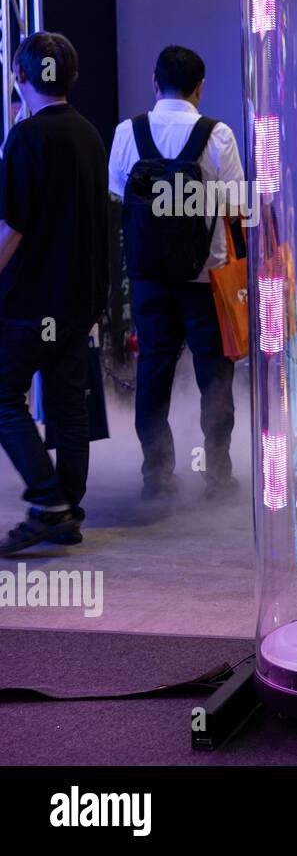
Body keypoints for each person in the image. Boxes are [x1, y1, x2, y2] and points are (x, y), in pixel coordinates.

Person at [107, 45, 241, 503]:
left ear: (153, 81)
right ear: (200, 87)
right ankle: (217, 473)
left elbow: (118, 199)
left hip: (149, 279)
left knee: (153, 373)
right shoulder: (217, 135)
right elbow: (237, 205)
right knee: (215, 376)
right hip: (206, 278)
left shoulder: (128, 132)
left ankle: (158, 475)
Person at [0, 33, 110, 554]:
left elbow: (13, 227)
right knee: (69, 405)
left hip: (32, 297)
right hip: (78, 296)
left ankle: (49, 503)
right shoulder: (89, 134)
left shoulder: (24, 139)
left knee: (2, 394)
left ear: (20, 77)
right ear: (71, 77)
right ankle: (67, 508)